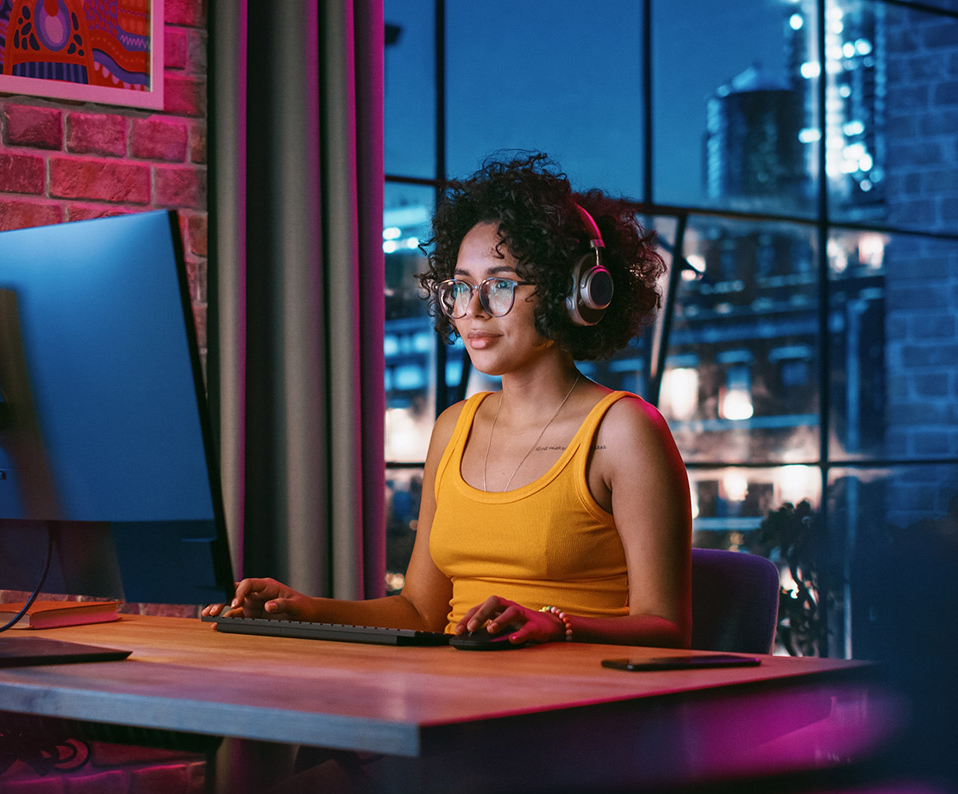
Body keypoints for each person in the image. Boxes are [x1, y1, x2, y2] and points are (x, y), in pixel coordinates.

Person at [204, 152, 692, 648]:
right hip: (458, 697)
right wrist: (306, 610)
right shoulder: (454, 426)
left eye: (500, 284)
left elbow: (669, 629)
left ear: (574, 293)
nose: (473, 310)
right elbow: (419, 610)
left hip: (578, 704)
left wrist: (556, 624)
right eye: (460, 287)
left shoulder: (624, 430)